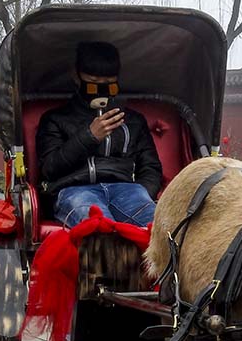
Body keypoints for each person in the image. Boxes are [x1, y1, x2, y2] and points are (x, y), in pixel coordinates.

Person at [36, 41, 163, 228]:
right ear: (76, 76)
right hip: (74, 190)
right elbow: (49, 168)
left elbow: (150, 167)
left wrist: (142, 192)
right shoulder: (55, 119)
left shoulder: (133, 121)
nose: (101, 92)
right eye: (93, 85)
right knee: (100, 231)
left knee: (159, 230)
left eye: (109, 86)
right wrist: (89, 136)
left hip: (127, 189)